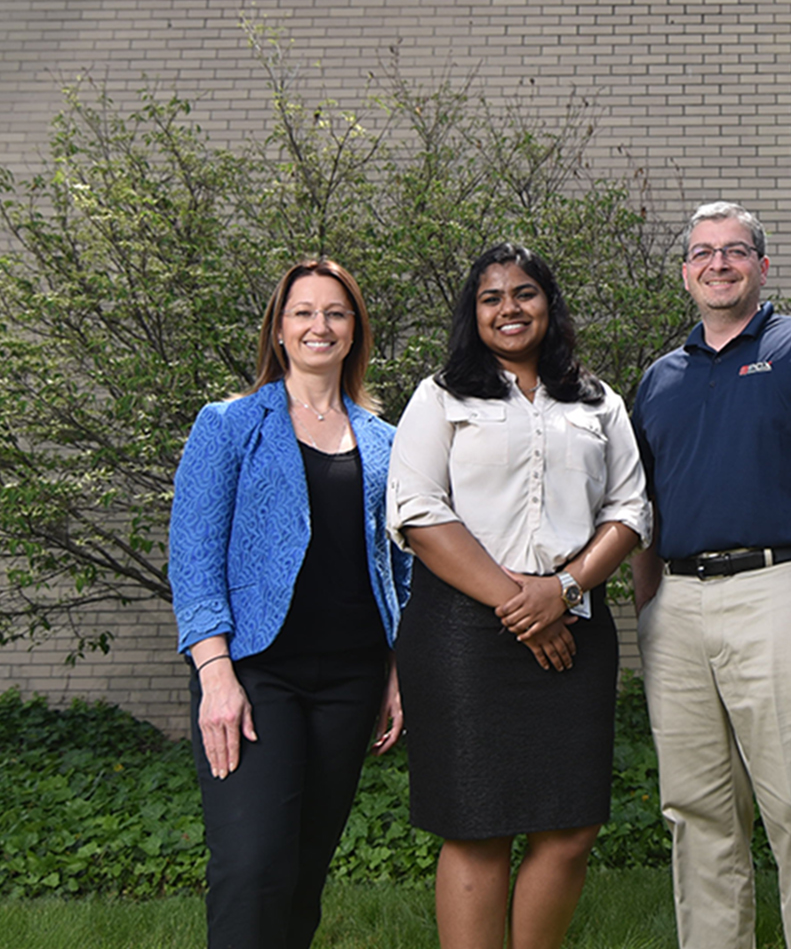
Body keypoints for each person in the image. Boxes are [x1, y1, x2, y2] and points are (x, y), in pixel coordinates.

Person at [629, 201, 791, 949]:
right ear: (686, 272)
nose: (719, 263)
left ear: (762, 266)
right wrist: (650, 607)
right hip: (677, 607)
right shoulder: (660, 378)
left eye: (736, 251)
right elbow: (643, 503)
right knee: (696, 813)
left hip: (785, 592)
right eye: (704, 252)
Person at [387, 242, 649, 949]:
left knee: (571, 826)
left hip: (575, 627)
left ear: (549, 304)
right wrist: (524, 605)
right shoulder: (441, 395)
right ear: (473, 314)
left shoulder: (597, 400)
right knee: (478, 823)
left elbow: (631, 508)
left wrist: (561, 591)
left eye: (524, 293)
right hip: (461, 634)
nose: (510, 308)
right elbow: (416, 511)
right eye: (491, 297)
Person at [170, 258, 410, 949]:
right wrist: (215, 675)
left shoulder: (385, 440)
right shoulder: (230, 425)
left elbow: (400, 565)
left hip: (351, 677)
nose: (319, 325)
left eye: (335, 312)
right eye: (303, 312)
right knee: (252, 866)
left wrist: (398, 668)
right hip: (253, 673)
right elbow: (193, 556)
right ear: (279, 329)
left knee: (306, 866)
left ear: (353, 329)